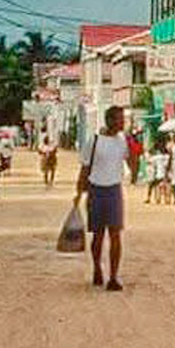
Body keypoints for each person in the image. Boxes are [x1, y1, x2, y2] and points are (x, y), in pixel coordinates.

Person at [77, 106, 129, 291]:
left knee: (115, 234)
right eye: (120, 119)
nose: (123, 122)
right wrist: (79, 191)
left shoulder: (122, 141)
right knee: (98, 235)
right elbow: (85, 167)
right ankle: (97, 267)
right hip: (96, 189)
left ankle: (113, 276)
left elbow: (128, 160)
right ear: (110, 120)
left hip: (114, 189)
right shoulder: (94, 141)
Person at [144, 138, 170, 205]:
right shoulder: (168, 156)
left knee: (152, 185)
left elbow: (149, 161)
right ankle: (167, 199)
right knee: (167, 185)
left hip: (157, 174)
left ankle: (152, 198)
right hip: (166, 174)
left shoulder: (156, 157)